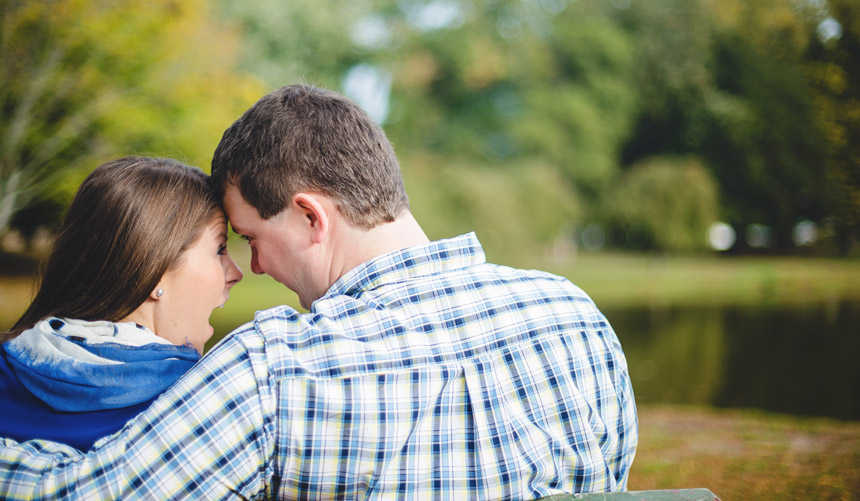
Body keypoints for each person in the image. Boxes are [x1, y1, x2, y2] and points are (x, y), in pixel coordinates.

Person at [0, 84, 637, 499]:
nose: (250, 266)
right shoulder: (574, 318)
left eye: (249, 236)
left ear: (311, 217)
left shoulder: (275, 371)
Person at [0, 156, 243, 451]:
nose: (236, 273)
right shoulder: (196, 411)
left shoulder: (9, 367)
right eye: (219, 249)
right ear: (154, 271)